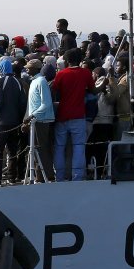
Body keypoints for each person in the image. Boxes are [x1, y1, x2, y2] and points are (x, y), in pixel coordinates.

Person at [52, 48, 95, 181]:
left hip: (62, 116)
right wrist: (104, 83)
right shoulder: (86, 73)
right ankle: (77, 177)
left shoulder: (60, 74)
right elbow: (93, 90)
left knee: (59, 148)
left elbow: (54, 92)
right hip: (78, 116)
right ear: (80, 59)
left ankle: (59, 177)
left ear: (66, 60)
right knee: (78, 148)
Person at [0, 56, 26, 183]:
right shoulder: (18, 81)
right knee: (12, 151)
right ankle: (12, 177)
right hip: (15, 122)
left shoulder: (1, 81)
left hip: (2, 122)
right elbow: (22, 103)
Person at [24, 59, 55, 181]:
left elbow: (46, 103)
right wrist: (27, 119)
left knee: (41, 149)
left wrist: (32, 116)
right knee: (36, 149)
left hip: (41, 121)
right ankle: (39, 176)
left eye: (29, 67)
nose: (27, 69)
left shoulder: (41, 81)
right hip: (36, 120)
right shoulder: (34, 81)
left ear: (36, 68)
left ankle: (46, 176)